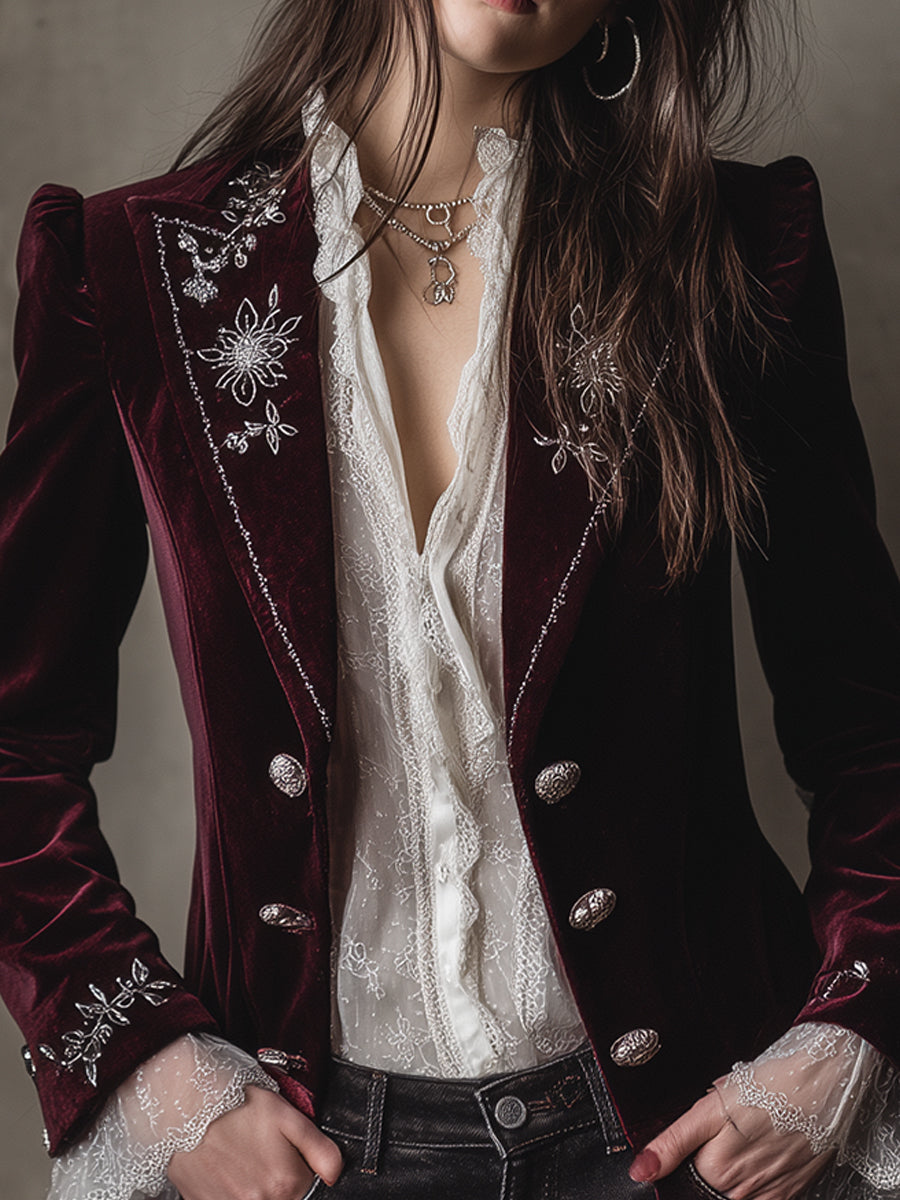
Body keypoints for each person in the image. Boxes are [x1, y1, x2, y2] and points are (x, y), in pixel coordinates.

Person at [1, 0, 899, 1198]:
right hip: (294, 1147)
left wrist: (844, 1040)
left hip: (700, 1135)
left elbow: (870, 725)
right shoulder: (135, 268)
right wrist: (149, 1069)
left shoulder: (724, 248)